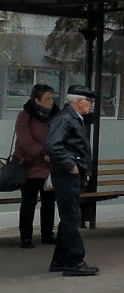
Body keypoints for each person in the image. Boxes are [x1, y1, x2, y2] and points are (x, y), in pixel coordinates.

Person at [45, 84, 99, 276]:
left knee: (69, 216)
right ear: (78, 100)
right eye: (89, 101)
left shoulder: (74, 118)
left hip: (70, 173)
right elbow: (53, 146)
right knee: (71, 217)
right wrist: (71, 165)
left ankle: (59, 260)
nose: (91, 105)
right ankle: (74, 262)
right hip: (67, 174)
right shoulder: (65, 119)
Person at [14, 83, 58, 248]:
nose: (51, 102)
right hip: (30, 165)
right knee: (29, 202)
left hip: (49, 167)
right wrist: (41, 153)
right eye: (47, 99)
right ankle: (26, 237)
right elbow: (24, 139)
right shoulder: (25, 116)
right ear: (36, 100)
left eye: (52, 98)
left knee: (49, 202)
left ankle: (47, 234)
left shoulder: (55, 115)